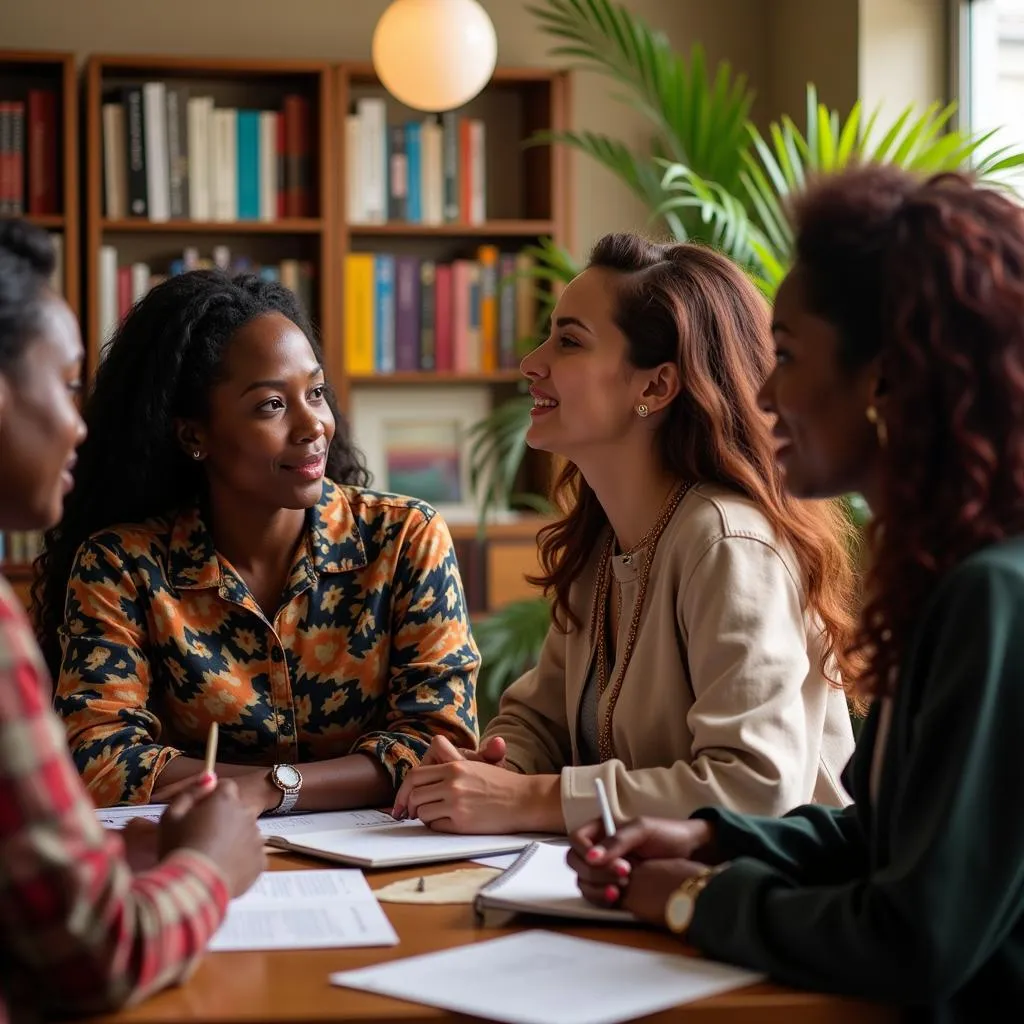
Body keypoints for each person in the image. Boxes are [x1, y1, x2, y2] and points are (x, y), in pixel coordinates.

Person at [567, 166, 1024, 1022]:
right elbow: (883, 838)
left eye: (790, 356)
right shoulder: (945, 580)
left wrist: (692, 902)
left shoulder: (993, 599)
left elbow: (916, 937)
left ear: (885, 380)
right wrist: (714, 838)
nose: (765, 392)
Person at [393, 232, 859, 835]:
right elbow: (540, 720)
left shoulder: (728, 545)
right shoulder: (603, 541)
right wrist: (492, 767)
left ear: (655, 386)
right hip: (634, 888)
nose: (531, 363)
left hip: (762, 901)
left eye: (568, 341)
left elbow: (756, 787)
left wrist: (527, 800)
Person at [43, 269, 479, 813]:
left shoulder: (406, 539)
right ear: (193, 435)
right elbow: (100, 757)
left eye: (316, 393)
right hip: (196, 855)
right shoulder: (122, 565)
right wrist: (259, 793)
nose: (312, 425)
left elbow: (438, 744)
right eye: (272, 404)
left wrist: (271, 789)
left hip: (382, 859)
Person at [0, 218, 266, 1019]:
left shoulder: (403, 533)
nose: (81, 423)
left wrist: (117, 851)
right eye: (66, 382)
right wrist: (213, 867)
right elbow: (98, 956)